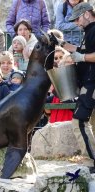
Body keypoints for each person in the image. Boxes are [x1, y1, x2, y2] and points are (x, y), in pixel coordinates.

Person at [60, 2, 95, 172]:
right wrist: (62, 45)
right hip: (88, 82)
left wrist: (81, 58)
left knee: (80, 121)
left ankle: (91, 161)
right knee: (81, 121)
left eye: (78, 18)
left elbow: (87, 55)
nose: (76, 23)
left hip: (92, 83)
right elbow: (81, 50)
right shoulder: (88, 32)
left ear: (87, 13)